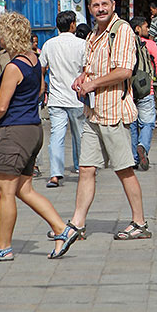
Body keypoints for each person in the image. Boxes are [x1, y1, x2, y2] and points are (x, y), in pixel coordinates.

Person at [0, 11, 77, 262]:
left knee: (5, 190)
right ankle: (62, 229)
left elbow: (1, 106)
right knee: (24, 189)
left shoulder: (13, 66)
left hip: (15, 131)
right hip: (33, 128)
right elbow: (41, 89)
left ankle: (3, 247)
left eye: (1, 33)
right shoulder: (34, 60)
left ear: (10, 34)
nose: (0, 37)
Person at [69, 0, 151, 241]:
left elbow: (125, 71)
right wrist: (83, 77)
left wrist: (93, 84)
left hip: (114, 110)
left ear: (113, 5)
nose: (101, 9)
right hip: (93, 112)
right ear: (90, 9)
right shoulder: (93, 34)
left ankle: (139, 223)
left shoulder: (122, 31)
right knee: (85, 169)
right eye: (96, 5)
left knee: (124, 169)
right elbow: (92, 66)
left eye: (105, 4)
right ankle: (77, 224)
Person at [40, 11, 86, 189]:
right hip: (77, 97)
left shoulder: (49, 45)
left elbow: (42, 68)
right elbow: (86, 70)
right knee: (80, 135)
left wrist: (42, 88)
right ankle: (83, 169)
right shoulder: (82, 44)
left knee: (56, 137)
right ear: (73, 24)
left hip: (57, 98)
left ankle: (55, 175)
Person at [130, 16, 157, 171]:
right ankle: (143, 146)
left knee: (132, 126)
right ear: (137, 28)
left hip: (129, 91)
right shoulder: (150, 45)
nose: (148, 29)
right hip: (147, 90)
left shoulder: (126, 44)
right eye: (145, 26)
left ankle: (133, 158)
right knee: (147, 123)